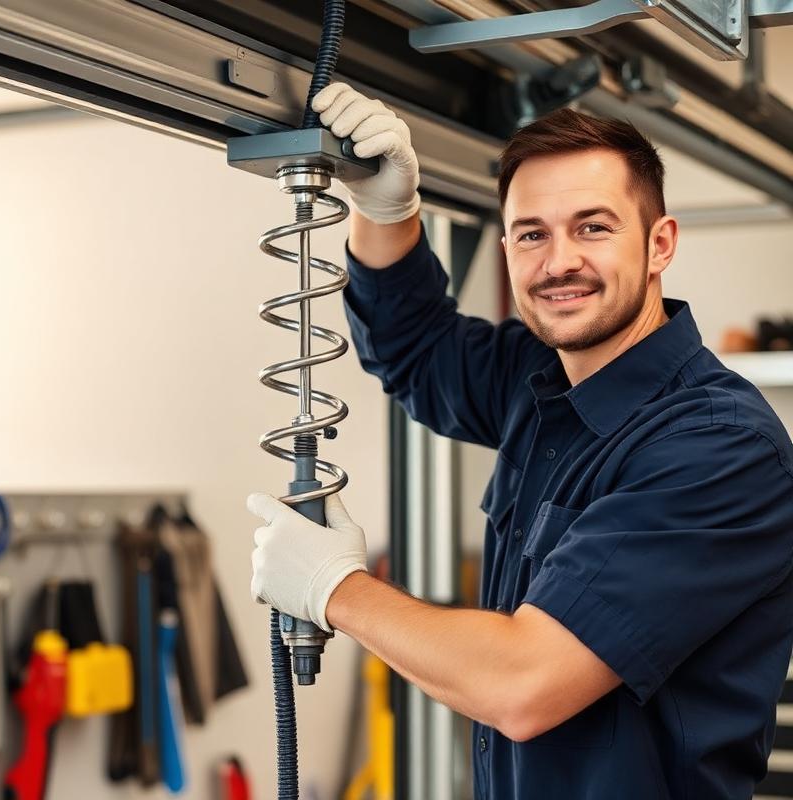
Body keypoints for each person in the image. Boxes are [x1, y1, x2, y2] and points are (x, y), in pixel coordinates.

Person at [248, 83, 793, 799]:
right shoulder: (538, 380)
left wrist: (333, 590)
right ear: (507, 248)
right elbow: (415, 347)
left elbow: (522, 684)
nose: (558, 261)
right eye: (532, 233)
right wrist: (386, 211)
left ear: (660, 244)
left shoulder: (720, 449)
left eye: (593, 227)